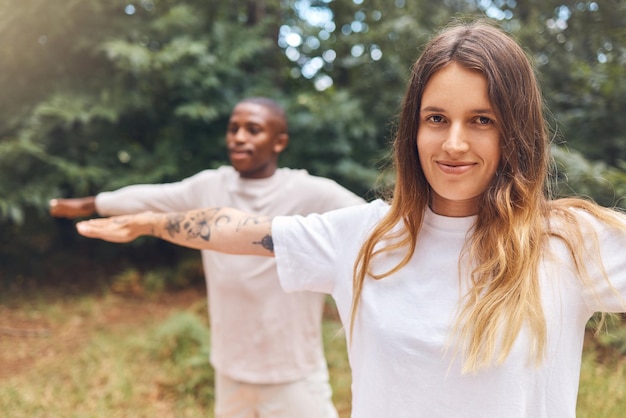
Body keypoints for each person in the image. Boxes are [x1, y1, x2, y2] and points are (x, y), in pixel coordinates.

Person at [74, 21, 626, 418]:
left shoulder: (568, 243)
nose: (454, 143)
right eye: (437, 118)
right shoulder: (365, 236)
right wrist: (148, 222)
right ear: (414, 129)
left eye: (481, 119)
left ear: (516, 131)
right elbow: (231, 226)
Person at [50, 97, 365, 418]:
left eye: (253, 129)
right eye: (233, 129)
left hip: (293, 372)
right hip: (229, 367)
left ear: (279, 141)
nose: (238, 137)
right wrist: (92, 204)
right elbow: (152, 196)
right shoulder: (211, 186)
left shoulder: (311, 192)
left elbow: (374, 222)